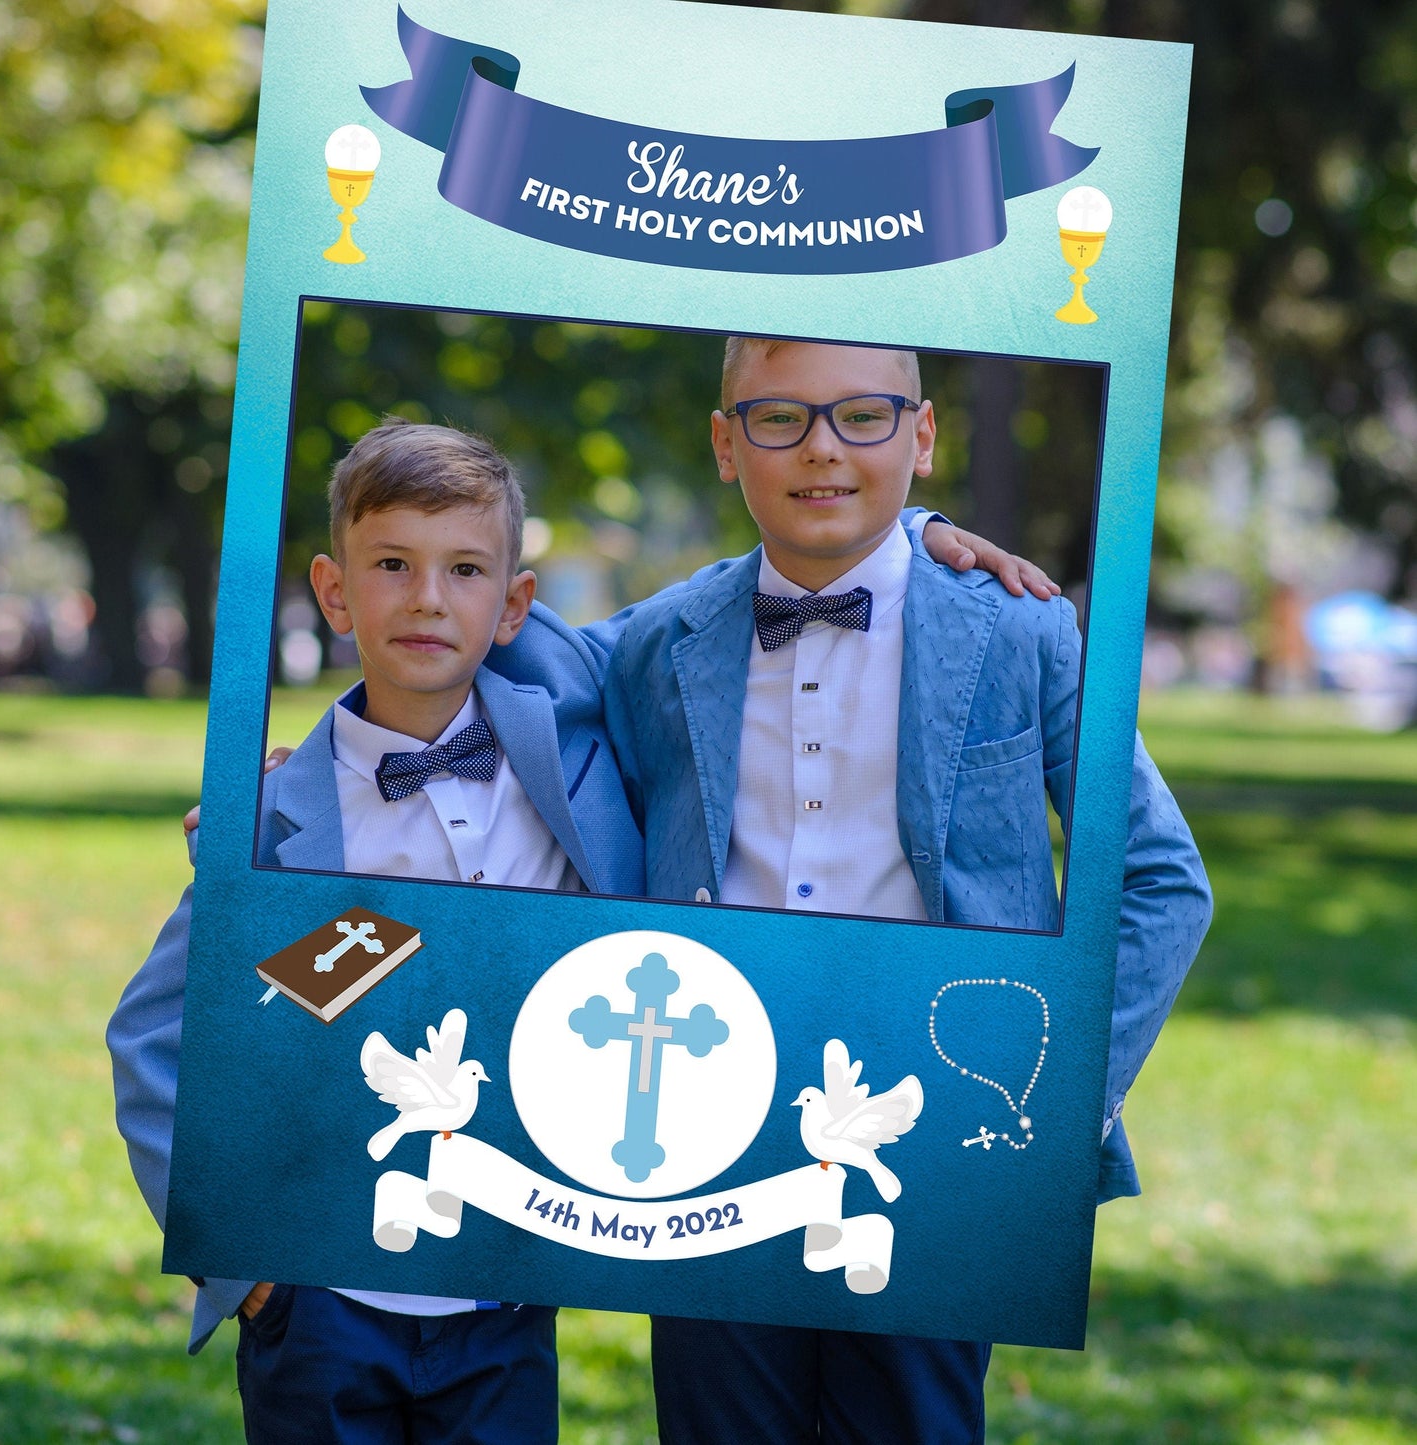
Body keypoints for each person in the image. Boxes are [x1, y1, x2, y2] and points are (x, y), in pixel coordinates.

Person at [599, 338, 1214, 1443]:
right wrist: (289, 775)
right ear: (723, 443)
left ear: (920, 436)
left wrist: (1044, 1097)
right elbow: (482, 644)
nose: (822, 448)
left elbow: (1159, 881)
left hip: (929, 1130)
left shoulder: (1020, 625)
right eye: (778, 417)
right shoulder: (655, 640)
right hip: (704, 1123)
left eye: (863, 416)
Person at [107, 417, 645, 1444]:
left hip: (506, 1290)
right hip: (322, 1304)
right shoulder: (271, 821)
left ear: (513, 605)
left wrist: (922, 530)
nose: (428, 597)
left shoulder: (575, 757)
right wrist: (246, 1266)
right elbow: (152, 1037)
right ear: (335, 590)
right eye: (391, 563)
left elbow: (730, 613)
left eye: (464, 569)